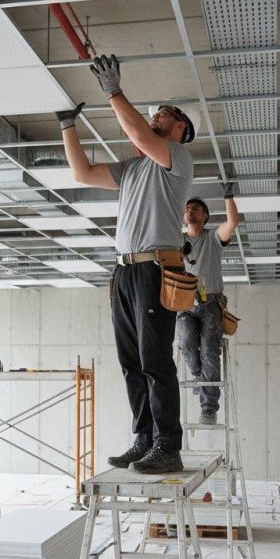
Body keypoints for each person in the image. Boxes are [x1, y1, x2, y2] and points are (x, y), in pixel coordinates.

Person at [55, 54, 196, 474]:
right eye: (157, 114)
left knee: (155, 360)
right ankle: (145, 438)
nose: (157, 117)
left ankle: (168, 445)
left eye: (165, 115)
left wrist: (113, 90)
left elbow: (136, 129)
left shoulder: (177, 160)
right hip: (125, 272)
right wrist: (67, 124)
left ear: (180, 131)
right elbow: (81, 173)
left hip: (155, 270)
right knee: (131, 362)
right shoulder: (133, 168)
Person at [177, 187, 239, 424]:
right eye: (187, 209)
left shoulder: (212, 238)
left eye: (195, 209)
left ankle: (209, 407)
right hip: (185, 304)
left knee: (209, 349)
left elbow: (232, 222)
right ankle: (200, 377)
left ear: (205, 216)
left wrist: (228, 195)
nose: (190, 212)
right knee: (186, 340)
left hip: (210, 302)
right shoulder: (178, 241)